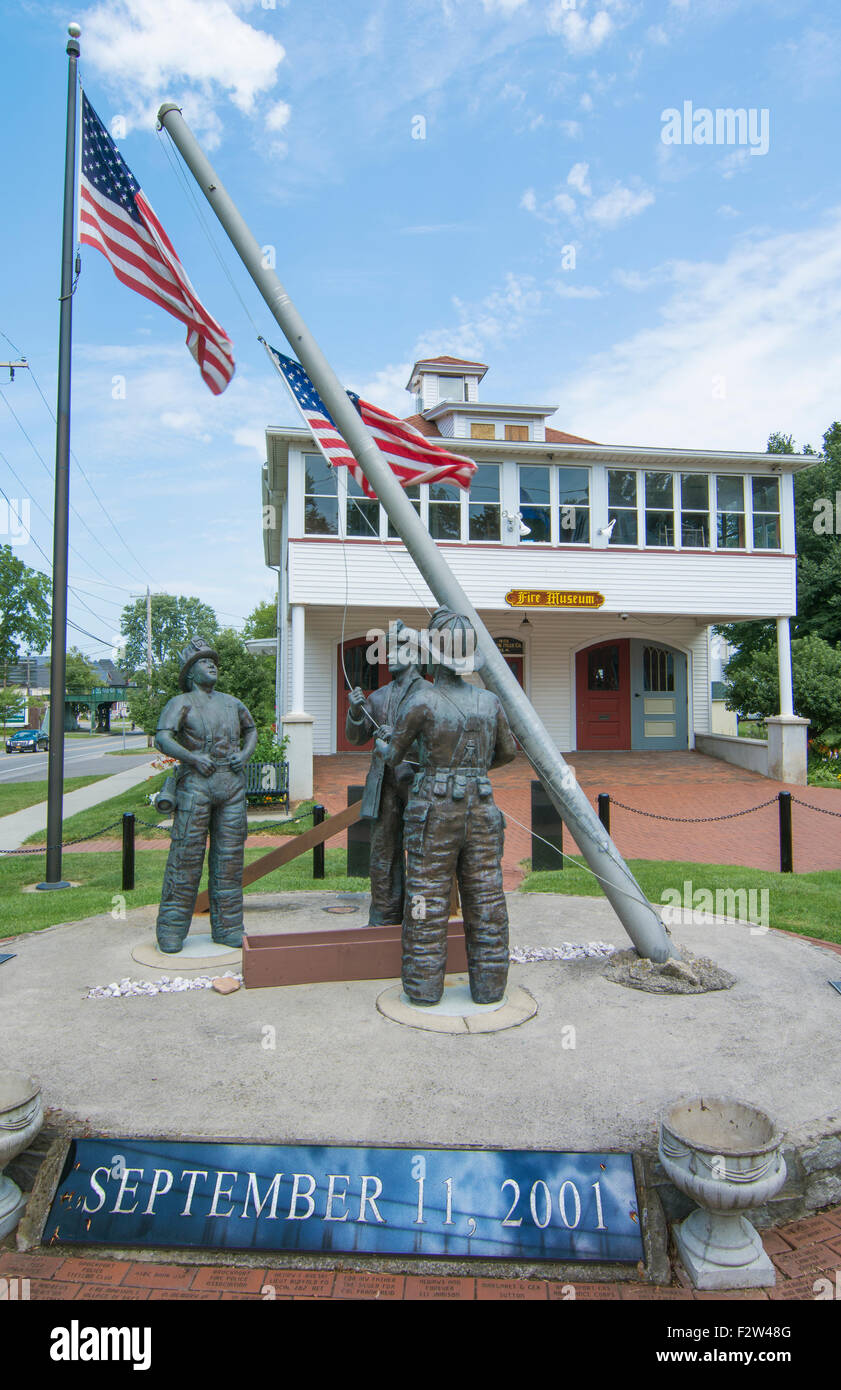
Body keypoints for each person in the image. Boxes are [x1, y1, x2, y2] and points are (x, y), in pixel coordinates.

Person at [377, 608, 517, 1005]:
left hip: (434, 811)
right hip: (482, 808)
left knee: (426, 897)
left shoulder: (421, 701)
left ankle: (423, 988)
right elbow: (507, 753)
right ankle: (489, 989)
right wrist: (471, 771)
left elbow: (393, 757)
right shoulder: (489, 702)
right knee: (486, 898)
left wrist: (384, 742)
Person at [154, 637, 257, 953]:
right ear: (189, 672)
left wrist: (245, 753)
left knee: (229, 861)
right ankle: (171, 929)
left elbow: (251, 729)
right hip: (196, 787)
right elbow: (162, 737)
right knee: (186, 857)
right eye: (202, 661)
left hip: (232, 788)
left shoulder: (231, 702)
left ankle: (228, 927)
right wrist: (192, 757)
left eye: (212, 660)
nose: (211, 664)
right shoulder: (180, 702)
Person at [345, 620, 423, 926]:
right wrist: (354, 713)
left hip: (418, 784)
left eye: (397, 649)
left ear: (415, 655)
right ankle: (383, 916)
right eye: (388, 650)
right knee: (383, 854)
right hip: (384, 786)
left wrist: (404, 738)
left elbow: (440, 741)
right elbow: (355, 738)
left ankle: (420, 920)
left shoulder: (430, 695)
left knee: (421, 854)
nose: (389, 655)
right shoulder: (377, 698)